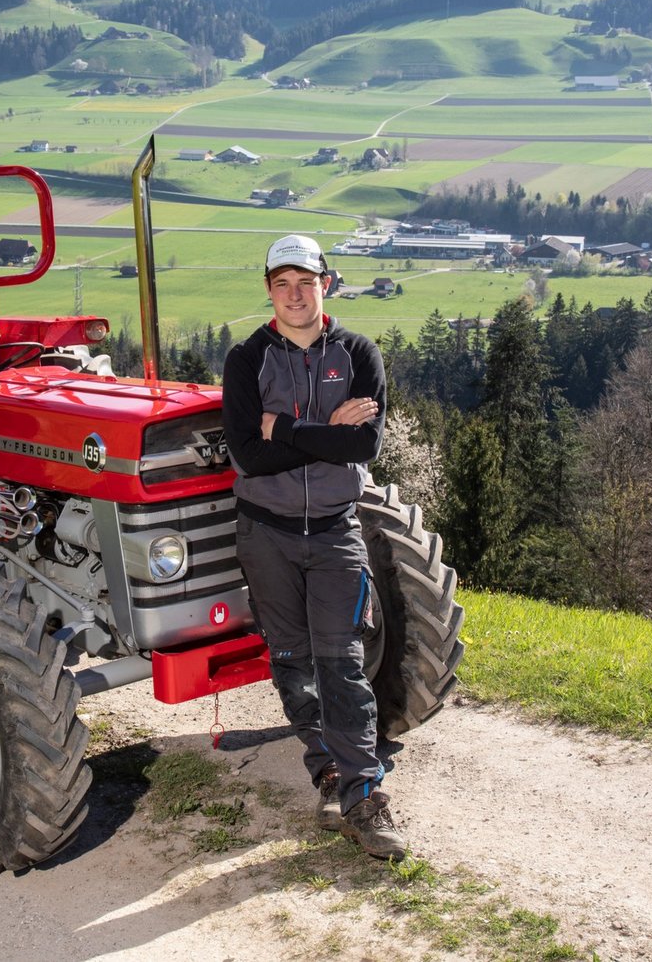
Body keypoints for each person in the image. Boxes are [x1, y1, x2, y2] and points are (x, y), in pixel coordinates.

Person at [221, 233, 407, 861]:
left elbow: (364, 448)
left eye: (307, 282)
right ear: (269, 289)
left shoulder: (358, 354)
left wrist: (290, 430)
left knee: (343, 662)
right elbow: (248, 454)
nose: (295, 295)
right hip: (265, 533)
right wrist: (327, 432)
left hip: (333, 531)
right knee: (293, 661)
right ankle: (326, 770)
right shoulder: (247, 360)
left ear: (326, 283)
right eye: (283, 284)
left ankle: (363, 795)